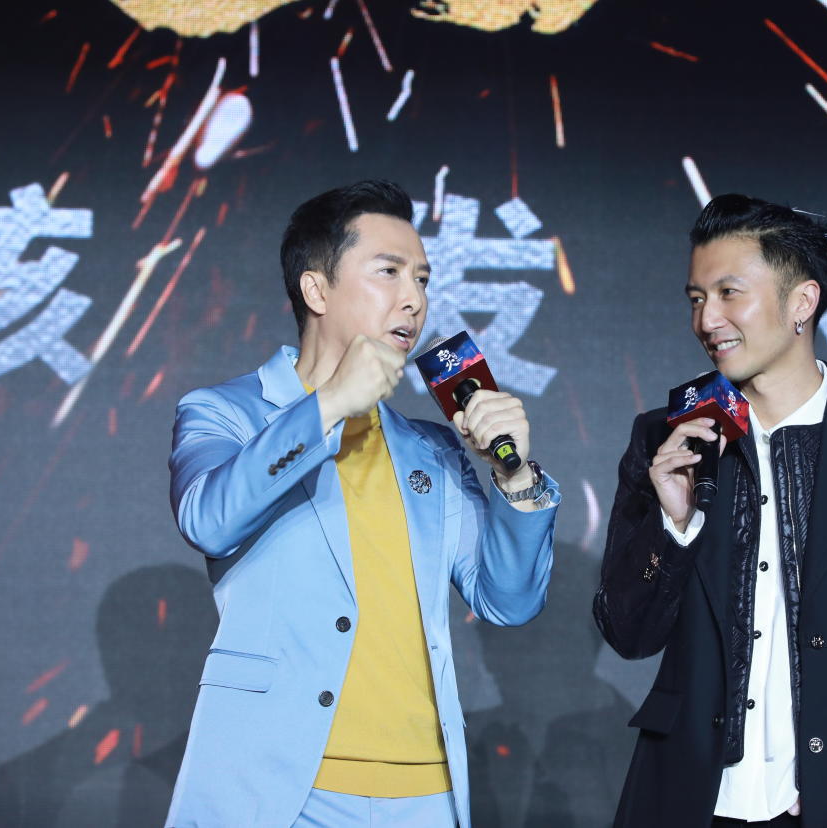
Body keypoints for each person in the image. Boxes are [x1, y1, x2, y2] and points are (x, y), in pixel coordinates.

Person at [165, 180, 559, 828]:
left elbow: (508, 602)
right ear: (316, 289)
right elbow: (209, 519)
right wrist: (326, 407)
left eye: (423, 279)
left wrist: (514, 478)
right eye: (389, 272)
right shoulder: (224, 412)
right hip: (281, 791)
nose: (415, 299)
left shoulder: (431, 447)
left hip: (427, 794)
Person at [594, 194, 827, 827]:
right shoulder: (665, 436)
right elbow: (627, 632)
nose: (707, 319)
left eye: (728, 293)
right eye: (696, 298)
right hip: (685, 797)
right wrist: (674, 526)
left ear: (803, 302)